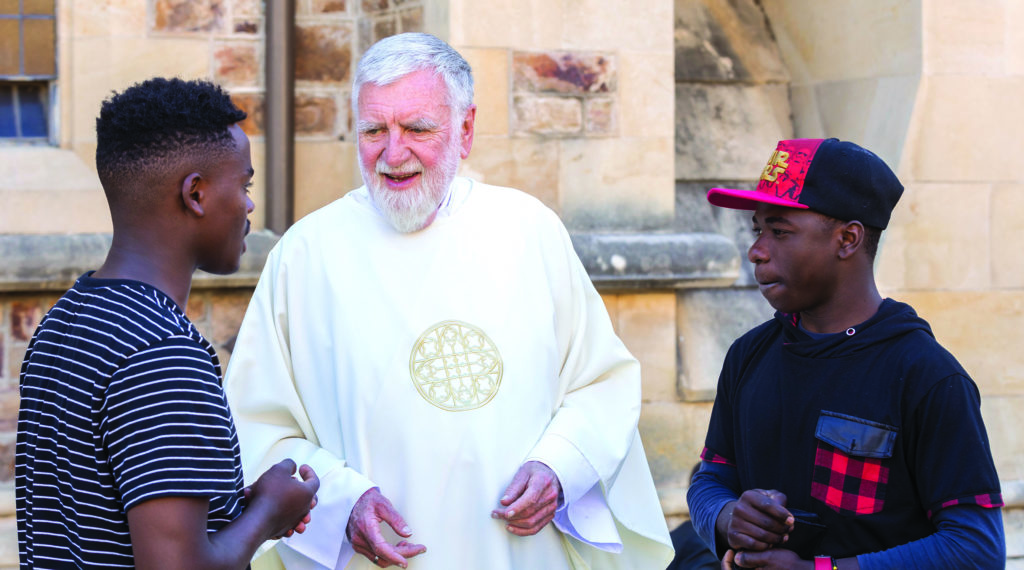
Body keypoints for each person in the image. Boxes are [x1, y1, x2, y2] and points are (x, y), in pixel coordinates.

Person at [223, 32, 674, 570]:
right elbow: (253, 429)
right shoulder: (304, 255)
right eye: (373, 131)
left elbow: (601, 383)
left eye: (417, 128)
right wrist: (340, 502)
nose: (393, 154)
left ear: (464, 129)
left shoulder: (530, 231)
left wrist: (561, 467)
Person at [15, 77, 320, 569]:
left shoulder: (66, 321)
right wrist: (267, 514)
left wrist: (235, 510)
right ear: (195, 194)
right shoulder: (162, 353)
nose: (248, 205)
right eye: (243, 184)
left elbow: (100, 517)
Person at [686, 138, 1006, 569]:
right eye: (757, 229)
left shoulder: (927, 375)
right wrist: (727, 517)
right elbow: (711, 478)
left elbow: (976, 549)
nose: (757, 250)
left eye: (779, 231)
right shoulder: (748, 355)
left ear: (848, 239)